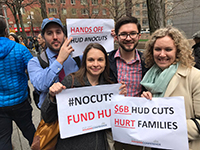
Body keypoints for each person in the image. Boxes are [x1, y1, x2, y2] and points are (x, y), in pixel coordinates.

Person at [41, 43, 127, 150]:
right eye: (91, 60)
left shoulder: (109, 87)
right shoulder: (70, 81)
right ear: (85, 62)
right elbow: (47, 117)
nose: (95, 64)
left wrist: (121, 101)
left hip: (99, 145)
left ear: (106, 63)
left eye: (100, 60)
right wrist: (52, 96)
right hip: (70, 145)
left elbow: (116, 122)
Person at [140, 27, 200, 150]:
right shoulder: (149, 77)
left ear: (178, 51)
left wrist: (167, 129)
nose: (162, 54)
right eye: (157, 49)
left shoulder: (195, 77)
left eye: (168, 49)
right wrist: (145, 104)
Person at [108, 16, 148, 150]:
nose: (128, 38)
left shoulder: (147, 62)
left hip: (137, 125)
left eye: (132, 33)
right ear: (116, 37)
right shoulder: (106, 61)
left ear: (139, 36)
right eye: (123, 34)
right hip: (111, 125)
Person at [28, 17, 80, 109]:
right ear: (43, 37)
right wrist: (59, 60)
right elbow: (41, 85)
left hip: (76, 110)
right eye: (49, 33)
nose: (55, 37)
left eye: (58, 32)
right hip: (52, 114)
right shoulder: (35, 62)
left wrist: (111, 36)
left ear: (64, 35)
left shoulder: (77, 57)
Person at [0, 17, 36, 149]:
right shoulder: (20, 49)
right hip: (20, 101)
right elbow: (34, 71)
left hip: (0, 105)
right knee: (30, 132)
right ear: (5, 31)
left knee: (3, 139)